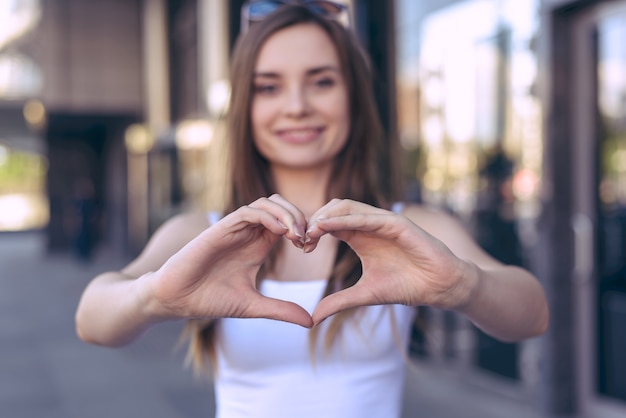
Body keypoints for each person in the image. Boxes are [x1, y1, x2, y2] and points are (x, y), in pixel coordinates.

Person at [75, 2, 549, 417]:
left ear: (354, 97)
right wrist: (152, 298)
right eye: (268, 87)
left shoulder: (410, 227)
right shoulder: (202, 235)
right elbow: (93, 319)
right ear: (244, 107)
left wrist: (465, 285)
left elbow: (531, 312)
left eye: (321, 81)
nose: (297, 106)